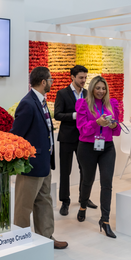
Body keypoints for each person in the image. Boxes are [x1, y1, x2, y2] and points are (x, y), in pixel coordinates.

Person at [11, 66, 68, 250]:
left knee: (45, 202)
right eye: (50, 79)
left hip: (44, 163)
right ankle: (21, 242)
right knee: (24, 206)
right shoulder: (27, 103)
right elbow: (16, 136)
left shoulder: (41, 101)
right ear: (43, 82)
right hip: (31, 165)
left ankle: (46, 238)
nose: (52, 82)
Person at [75, 76, 120, 238]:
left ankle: (105, 220)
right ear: (92, 89)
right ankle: (83, 205)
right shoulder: (83, 104)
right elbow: (82, 129)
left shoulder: (112, 104)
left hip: (107, 147)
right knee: (87, 180)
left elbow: (117, 131)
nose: (101, 91)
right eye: (98, 88)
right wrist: (97, 123)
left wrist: (114, 125)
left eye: (104, 88)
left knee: (107, 183)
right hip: (87, 147)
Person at [53, 65, 97, 216]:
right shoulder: (62, 93)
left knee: (85, 170)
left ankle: (84, 199)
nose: (84, 80)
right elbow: (57, 115)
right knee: (65, 171)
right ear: (72, 77)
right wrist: (74, 115)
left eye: (85, 77)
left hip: (84, 138)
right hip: (67, 138)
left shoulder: (87, 93)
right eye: (81, 78)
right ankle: (65, 201)